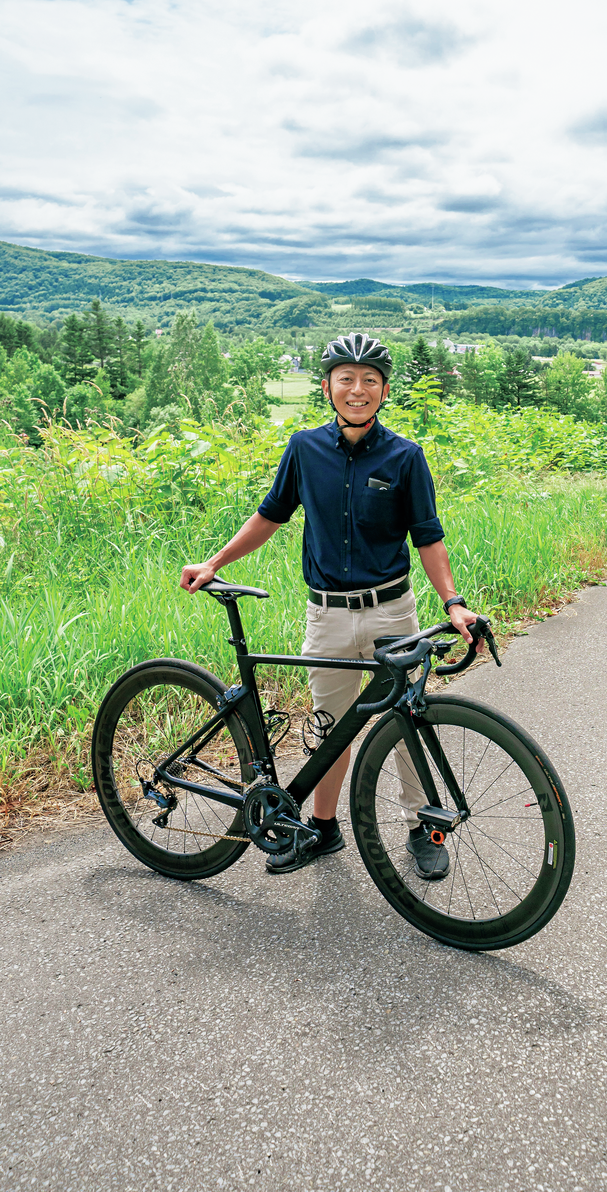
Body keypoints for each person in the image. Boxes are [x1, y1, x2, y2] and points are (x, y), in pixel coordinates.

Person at [180, 332, 480, 878]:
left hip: (392, 611)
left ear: (385, 391)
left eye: (369, 380)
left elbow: (428, 537)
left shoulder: (406, 457)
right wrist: (215, 563)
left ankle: (425, 828)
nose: (357, 389)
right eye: (347, 379)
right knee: (329, 727)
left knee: (407, 719)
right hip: (327, 614)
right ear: (328, 387)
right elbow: (270, 516)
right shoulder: (304, 449)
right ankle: (323, 828)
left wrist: (453, 602)